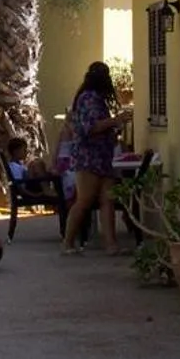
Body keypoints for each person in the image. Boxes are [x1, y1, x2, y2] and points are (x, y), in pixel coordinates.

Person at [61, 61, 128, 256]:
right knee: (85, 200)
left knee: (108, 200)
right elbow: (90, 127)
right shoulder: (89, 98)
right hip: (88, 157)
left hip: (103, 156)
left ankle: (111, 244)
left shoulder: (96, 98)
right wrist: (115, 120)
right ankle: (68, 242)